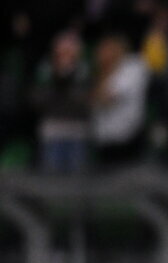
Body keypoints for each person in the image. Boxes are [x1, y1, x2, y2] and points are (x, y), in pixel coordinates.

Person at [32, 31, 91, 173]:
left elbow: (87, 100)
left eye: (70, 50)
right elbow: (36, 100)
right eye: (62, 49)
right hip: (52, 131)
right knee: (52, 178)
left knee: (77, 179)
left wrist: (69, 82)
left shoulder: (84, 71)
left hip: (78, 131)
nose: (66, 53)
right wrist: (57, 81)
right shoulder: (45, 71)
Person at [91, 34, 149, 167]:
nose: (101, 53)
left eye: (106, 49)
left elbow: (108, 97)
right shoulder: (105, 70)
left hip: (127, 138)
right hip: (105, 140)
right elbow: (93, 100)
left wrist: (104, 73)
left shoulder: (133, 67)